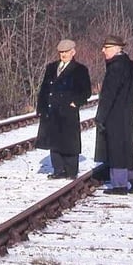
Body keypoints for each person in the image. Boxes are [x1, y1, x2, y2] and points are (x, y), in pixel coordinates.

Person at [35, 39, 92, 179]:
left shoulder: (80, 69)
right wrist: (41, 107)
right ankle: (58, 170)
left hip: (68, 111)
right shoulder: (51, 67)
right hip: (51, 111)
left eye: (66, 52)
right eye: (61, 52)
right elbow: (44, 89)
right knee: (54, 141)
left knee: (69, 141)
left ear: (73, 52)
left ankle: (71, 171)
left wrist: (76, 102)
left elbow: (86, 91)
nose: (63, 55)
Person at [94, 35, 133, 195]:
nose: (103, 51)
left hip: (115, 114)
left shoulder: (115, 67)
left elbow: (108, 95)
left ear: (116, 49)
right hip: (128, 113)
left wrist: (100, 116)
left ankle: (119, 185)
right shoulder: (132, 66)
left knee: (116, 149)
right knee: (127, 146)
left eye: (106, 48)